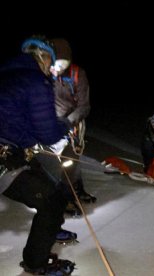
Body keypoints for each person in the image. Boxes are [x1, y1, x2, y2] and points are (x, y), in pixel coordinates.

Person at [0, 36, 76, 274]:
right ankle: (36, 263)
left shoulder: (7, 75)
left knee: (53, 190)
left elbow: (19, 122)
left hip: (12, 152)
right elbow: (48, 132)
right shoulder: (35, 81)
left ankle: (50, 230)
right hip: (5, 158)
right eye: (51, 63)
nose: (52, 69)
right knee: (52, 201)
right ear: (43, 58)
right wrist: (63, 127)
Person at [39, 38, 95, 218]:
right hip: (48, 125)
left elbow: (84, 106)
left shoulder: (78, 74)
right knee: (50, 163)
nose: (59, 68)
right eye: (56, 63)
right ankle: (58, 196)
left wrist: (68, 121)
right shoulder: (43, 74)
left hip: (71, 125)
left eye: (64, 63)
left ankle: (73, 193)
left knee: (70, 161)